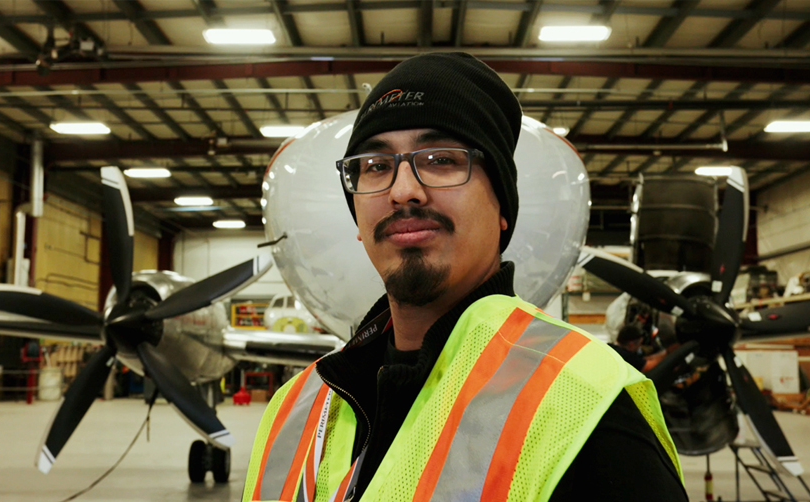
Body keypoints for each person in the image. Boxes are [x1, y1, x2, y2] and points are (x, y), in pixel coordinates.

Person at [242, 53, 687, 502]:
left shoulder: (586, 406)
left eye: (440, 159)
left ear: (503, 210)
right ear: (358, 220)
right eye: (376, 166)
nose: (402, 191)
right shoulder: (294, 409)